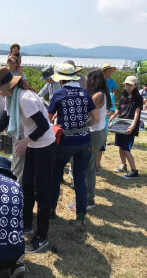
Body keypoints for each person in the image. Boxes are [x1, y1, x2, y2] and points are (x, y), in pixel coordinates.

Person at [0, 67, 56, 253]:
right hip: (33, 145)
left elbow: (43, 125)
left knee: (42, 192)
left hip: (44, 146)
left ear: (4, 86)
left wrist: (25, 141)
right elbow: (2, 122)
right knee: (26, 187)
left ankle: (42, 237)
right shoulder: (11, 98)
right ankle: (26, 224)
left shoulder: (25, 98)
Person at [47, 63, 99, 226]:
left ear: (61, 80)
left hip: (66, 141)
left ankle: (51, 211)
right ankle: (81, 217)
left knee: (56, 176)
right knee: (80, 178)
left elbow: (49, 118)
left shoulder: (59, 94)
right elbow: (96, 118)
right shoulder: (85, 94)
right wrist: (82, 126)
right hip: (85, 140)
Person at [83, 69, 112, 210]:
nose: (86, 82)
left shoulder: (98, 96)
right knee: (89, 164)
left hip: (94, 134)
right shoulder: (102, 94)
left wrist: (82, 126)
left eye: (88, 79)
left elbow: (91, 117)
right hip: (98, 132)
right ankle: (87, 198)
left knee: (89, 166)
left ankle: (89, 200)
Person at [110, 76, 142, 179]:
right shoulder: (123, 97)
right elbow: (118, 110)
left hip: (130, 127)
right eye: (126, 84)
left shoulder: (138, 98)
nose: (127, 86)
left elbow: (137, 112)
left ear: (135, 85)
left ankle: (134, 171)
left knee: (126, 148)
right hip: (120, 124)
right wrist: (112, 118)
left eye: (130, 85)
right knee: (120, 147)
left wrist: (133, 125)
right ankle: (123, 165)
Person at [96, 91, 115, 174]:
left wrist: (101, 115)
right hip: (91, 127)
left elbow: (112, 111)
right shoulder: (90, 93)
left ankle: (96, 167)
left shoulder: (109, 95)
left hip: (102, 128)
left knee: (99, 149)